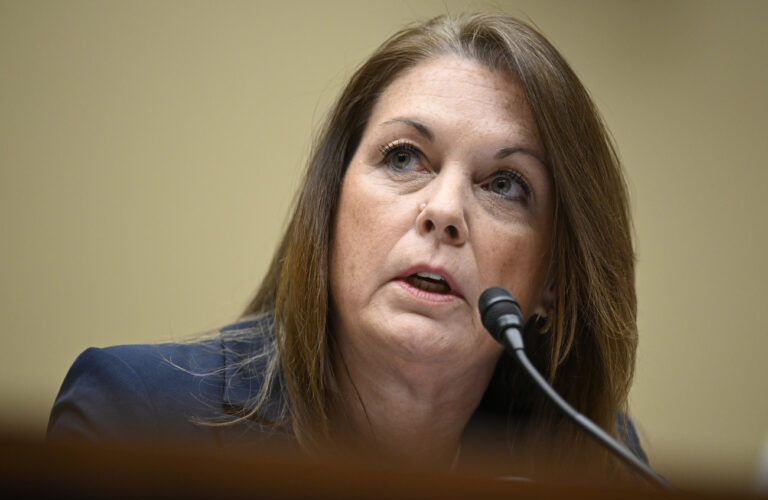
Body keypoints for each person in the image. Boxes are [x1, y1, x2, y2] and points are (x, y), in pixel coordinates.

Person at [48, 13, 644, 476]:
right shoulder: (136, 418)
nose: (443, 211)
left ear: (553, 282)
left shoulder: (596, 464)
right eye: (405, 157)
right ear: (329, 209)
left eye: (505, 185)